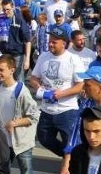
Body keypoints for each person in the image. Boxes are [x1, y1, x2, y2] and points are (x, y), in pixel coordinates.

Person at [29, 27, 84, 164]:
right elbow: (33, 78)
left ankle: (72, 163)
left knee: (69, 141)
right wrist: (38, 86)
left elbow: (81, 85)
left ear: (63, 44)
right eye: (50, 41)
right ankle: (69, 157)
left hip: (66, 110)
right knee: (44, 138)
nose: (50, 44)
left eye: (54, 42)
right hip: (47, 108)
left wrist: (62, 93)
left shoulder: (73, 59)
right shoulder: (43, 57)